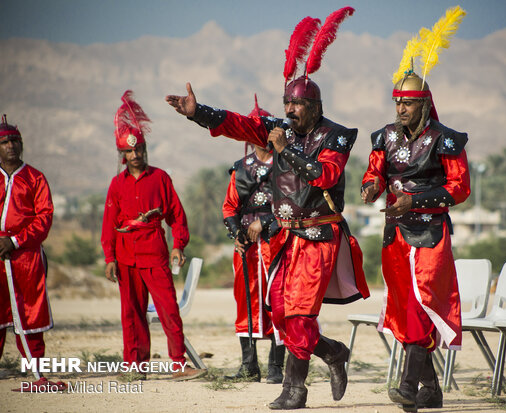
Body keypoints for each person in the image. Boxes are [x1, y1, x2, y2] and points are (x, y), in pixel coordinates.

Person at [166, 8, 368, 409]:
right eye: (286, 104)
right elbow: (239, 124)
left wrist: (284, 150)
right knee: (278, 312)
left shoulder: (337, 136)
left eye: (297, 106)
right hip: (286, 237)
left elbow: (324, 175)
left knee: (299, 314)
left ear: (315, 105)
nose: (290, 112)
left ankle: (294, 390)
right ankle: (332, 353)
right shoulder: (279, 129)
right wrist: (198, 112)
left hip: (319, 236)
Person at [361, 6, 469, 412]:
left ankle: (407, 387)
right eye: (397, 102)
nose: (400, 109)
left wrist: (416, 200)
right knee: (405, 308)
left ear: (424, 104)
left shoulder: (446, 140)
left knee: (422, 305)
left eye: (407, 103)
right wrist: (371, 187)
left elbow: (460, 188)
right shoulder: (384, 136)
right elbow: (375, 172)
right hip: (394, 236)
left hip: (430, 236)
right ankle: (432, 391)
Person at [101, 91, 203, 381]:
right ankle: (135, 366)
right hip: (125, 256)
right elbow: (108, 224)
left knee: (169, 309)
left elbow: (177, 216)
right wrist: (109, 257)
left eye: (139, 149)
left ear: (145, 149)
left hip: (154, 253)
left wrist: (178, 246)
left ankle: (177, 363)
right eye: (129, 152)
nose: (135, 155)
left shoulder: (160, 178)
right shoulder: (116, 184)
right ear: (123, 155)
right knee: (131, 314)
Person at [0, 114, 66, 391]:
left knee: (29, 317)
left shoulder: (35, 177)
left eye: (15, 140)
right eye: (4, 142)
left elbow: (44, 218)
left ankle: (37, 375)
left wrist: (14, 241)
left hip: (26, 258)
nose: (11, 146)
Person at [222, 97, 285, 384]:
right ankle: (249, 366)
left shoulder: (287, 165)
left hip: (277, 242)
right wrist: (236, 233)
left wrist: (268, 222)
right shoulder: (240, 168)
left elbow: (294, 203)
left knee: (277, 299)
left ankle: (276, 366)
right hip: (246, 247)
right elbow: (229, 207)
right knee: (246, 300)